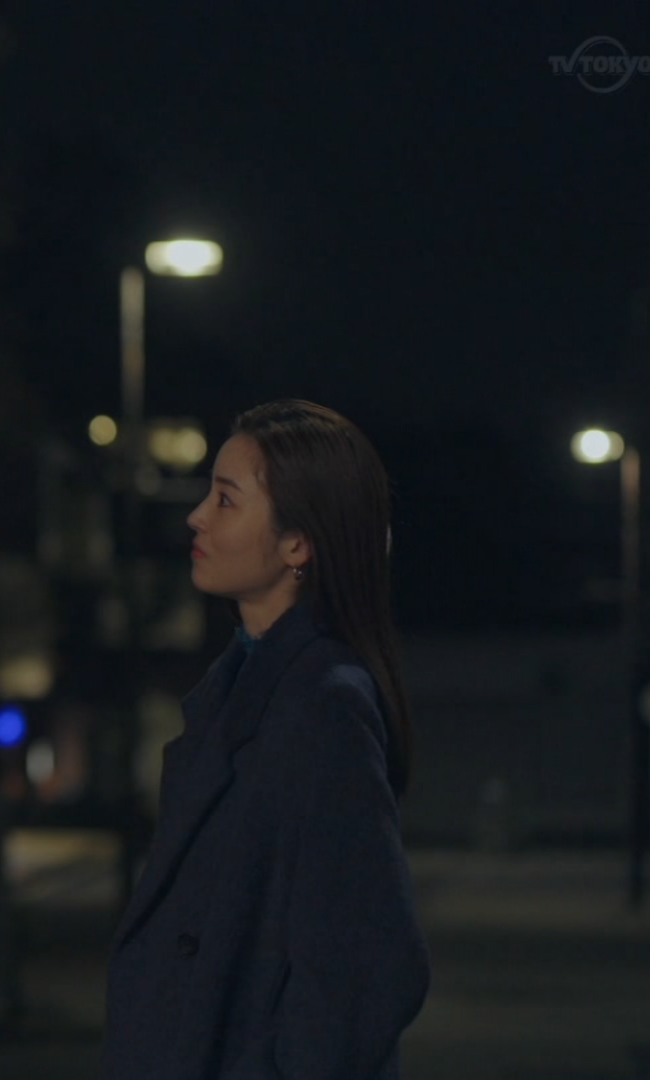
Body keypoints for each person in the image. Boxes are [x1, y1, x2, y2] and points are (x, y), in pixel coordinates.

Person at [101, 400, 431, 1079]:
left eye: (226, 500)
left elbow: (371, 962)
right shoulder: (241, 687)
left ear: (297, 544)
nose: (197, 516)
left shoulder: (323, 704)